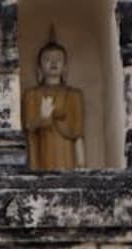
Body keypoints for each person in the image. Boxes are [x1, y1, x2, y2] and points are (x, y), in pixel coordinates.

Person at [22, 41, 85, 171]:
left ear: (65, 67)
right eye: (48, 59)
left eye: (58, 59)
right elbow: (29, 125)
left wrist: (81, 161)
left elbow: (77, 130)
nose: (53, 63)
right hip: (42, 149)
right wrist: (43, 118)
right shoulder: (31, 94)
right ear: (39, 67)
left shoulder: (74, 95)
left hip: (66, 151)